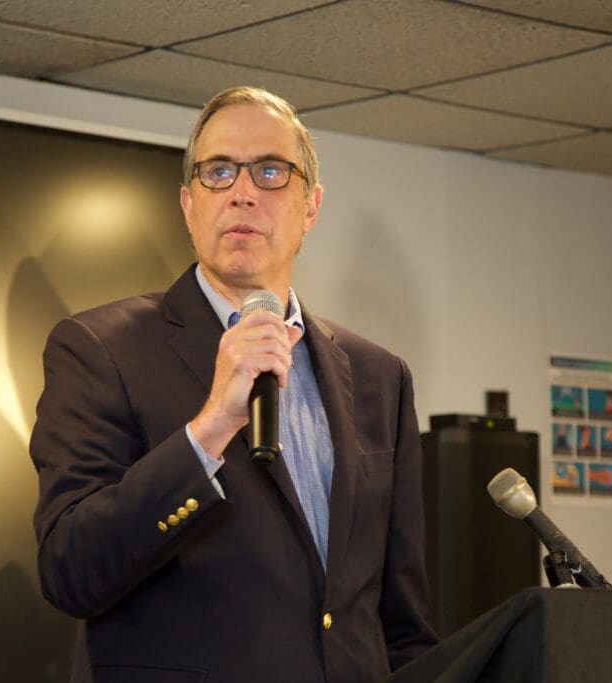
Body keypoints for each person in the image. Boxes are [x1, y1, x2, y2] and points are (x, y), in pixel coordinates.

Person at [30, 86, 438, 683]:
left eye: (271, 171)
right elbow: (71, 570)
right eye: (218, 172)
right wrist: (210, 429)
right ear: (188, 205)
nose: (242, 192)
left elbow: (402, 618)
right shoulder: (99, 350)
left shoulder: (379, 376)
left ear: (312, 206)